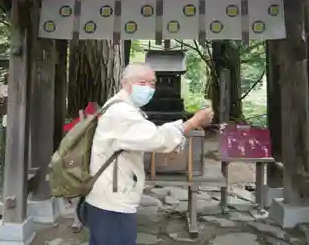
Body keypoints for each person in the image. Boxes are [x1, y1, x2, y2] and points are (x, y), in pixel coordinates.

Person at [85, 62, 214, 245]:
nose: (149, 88)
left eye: (152, 84)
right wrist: (193, 122)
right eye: (142, 82)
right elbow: (156, 137)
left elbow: (147, 134)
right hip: (112, 201)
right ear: (125, 82)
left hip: (110, 195)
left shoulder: (123, 107)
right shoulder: (121, 111)